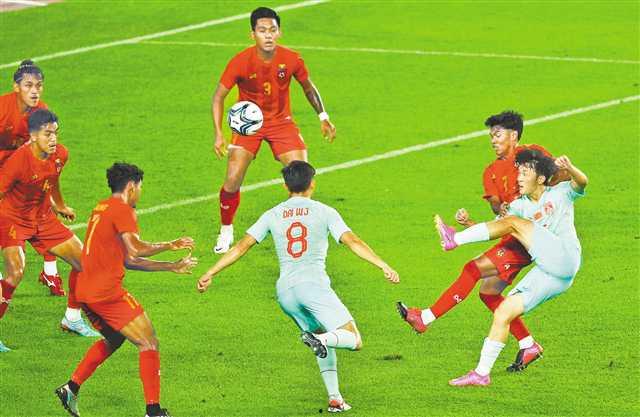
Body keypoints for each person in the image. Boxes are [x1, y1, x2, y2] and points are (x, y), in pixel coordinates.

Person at [197, 161, 399, 413]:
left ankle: (335, 398)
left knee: (323, 338)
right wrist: (382, 264)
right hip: (312, 286)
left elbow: (241, 246)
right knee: (353, 339)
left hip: (285, 293)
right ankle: (319, 339)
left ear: (285, 186)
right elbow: (353, 241)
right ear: (312, 183)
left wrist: (210, 272)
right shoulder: (325, 211)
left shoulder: (272, 214)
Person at [398, 111, 562, 371]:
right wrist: (477, 221)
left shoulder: (533, 154)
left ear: (514, 135)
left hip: (531, 238)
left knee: (472, 269)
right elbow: (497, 209)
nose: (493, 140)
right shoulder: (491, 172)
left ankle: (425, 318)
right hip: (513, 235)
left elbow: (556, 177)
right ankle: (528, 344)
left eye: (497, 135)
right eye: (491, 136)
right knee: (489, 293)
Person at [433, 150, 587, 386]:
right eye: (519, 173)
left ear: (541, 178)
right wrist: (470, 223)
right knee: (503, 312)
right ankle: (481, 374)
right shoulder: (519, 207)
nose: (519, 178)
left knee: (514, 223)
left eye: (525, 173)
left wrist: (570, 167)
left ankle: (455, 239)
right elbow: (499, 228)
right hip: (552, 275)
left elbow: (582, 182)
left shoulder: (560, 193)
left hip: (566, 257)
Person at [55, 162, 197, 417]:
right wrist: (170, 244)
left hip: (84, 290)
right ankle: (153, 411)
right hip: (105, 293)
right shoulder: (123, 210)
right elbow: (136, 249)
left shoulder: (101, 207)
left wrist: (171, 266)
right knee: (149, 342)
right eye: (140, 187)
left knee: (115, 338)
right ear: (131, 186)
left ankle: (71, 387)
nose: (140, 192)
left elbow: (129, 260)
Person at [211, 6, 337, 254]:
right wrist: (218, 133)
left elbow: (308, 87)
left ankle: (302, 229)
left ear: (279, 32)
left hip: (282, 122)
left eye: (272, 30)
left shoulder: (292, 59)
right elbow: (218, 97)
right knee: (232, 179)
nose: (268, 35)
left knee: (303, 175)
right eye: (262, 30)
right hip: (249, 125)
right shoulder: (240, 61)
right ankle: (226, 229)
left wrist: (323, 116)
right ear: (253, 34)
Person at [0, 109, 98, 352]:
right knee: (15, 273)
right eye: (47, 134)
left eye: (55, 133)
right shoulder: (17, 162)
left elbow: (53, 180)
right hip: (13, 220)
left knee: (85, 263)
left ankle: (72, 319)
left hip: (43, 218)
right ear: (33, 136)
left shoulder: (60, 154)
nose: (53, 139)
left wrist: (60, 205)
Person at [0, 59, 64, 295]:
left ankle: (50, 272)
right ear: (16, 87)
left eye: (39, 85)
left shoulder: (41, 112)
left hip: (20, 167)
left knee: (40, 209)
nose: (35, 91)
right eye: (29, 86)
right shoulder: (3, 108)